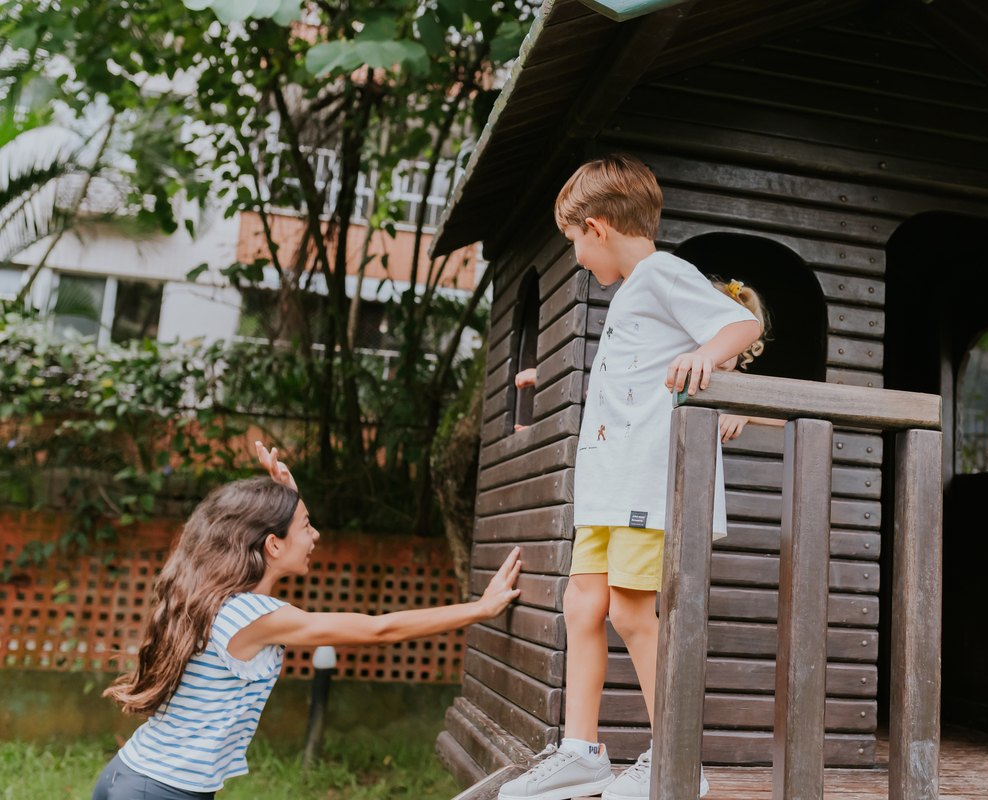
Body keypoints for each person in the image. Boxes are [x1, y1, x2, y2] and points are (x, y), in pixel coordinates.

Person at [499, 154, 761, 800]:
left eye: (576, 246)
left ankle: (678, 761)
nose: (580, 260)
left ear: (597, 227)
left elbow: (742, 324)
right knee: (582, 603)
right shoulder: (633, 294)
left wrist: (706, 358)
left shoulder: (660, 274)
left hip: (645, 485)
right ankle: (582, 751)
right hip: (606, 490)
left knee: (631, 611)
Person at [91, 443, 522, 800]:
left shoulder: (216, 597)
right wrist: (481, 609)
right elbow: (379, 629)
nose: (315, 536)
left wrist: (286, 496)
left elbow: (283, 531)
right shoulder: (254, 616)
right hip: (159, 790)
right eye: (307, 526)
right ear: (274, 545)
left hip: (132, 777)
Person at [707, 277, 785, 443]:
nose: (723, 361)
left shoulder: (741, 384)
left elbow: (782, 420)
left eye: (731, 345)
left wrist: (745, 415)